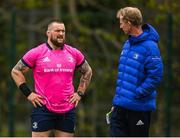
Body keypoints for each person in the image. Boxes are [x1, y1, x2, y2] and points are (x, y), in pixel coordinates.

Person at [11, 20, 92, 137]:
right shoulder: (37, 52)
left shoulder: (73, 53)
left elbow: (88, 71)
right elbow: (16, 71)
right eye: (57, 30)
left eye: (63, 31)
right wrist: (28, 94)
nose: (61, 33)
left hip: (67, 109)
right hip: (43, 108)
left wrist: (79, 93)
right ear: (48, 33)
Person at [109, 7, 163, 136]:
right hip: (120, 107)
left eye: (122, 22)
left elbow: (155, 75)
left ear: (129, 22)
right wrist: (118, 102)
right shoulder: (128, 44)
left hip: (138, 108)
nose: (120, 26)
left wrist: (138, 93)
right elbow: (124, 76)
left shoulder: (150, 47)